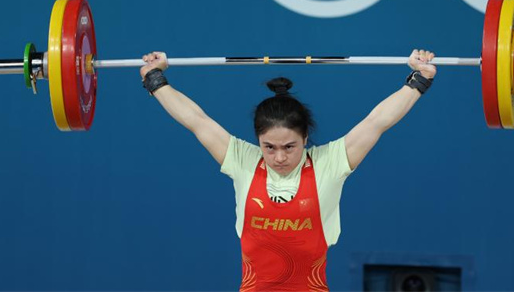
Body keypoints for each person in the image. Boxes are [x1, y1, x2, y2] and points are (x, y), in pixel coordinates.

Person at [139, 49, 437, 291]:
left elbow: (376, 122)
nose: (279, 156)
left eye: (289, 147)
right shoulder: (243, 160)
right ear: (258, 142)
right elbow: (197, 121)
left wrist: (418, 81)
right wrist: (156, 80)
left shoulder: (328, 163)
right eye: (269, 147)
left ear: (305, 139)